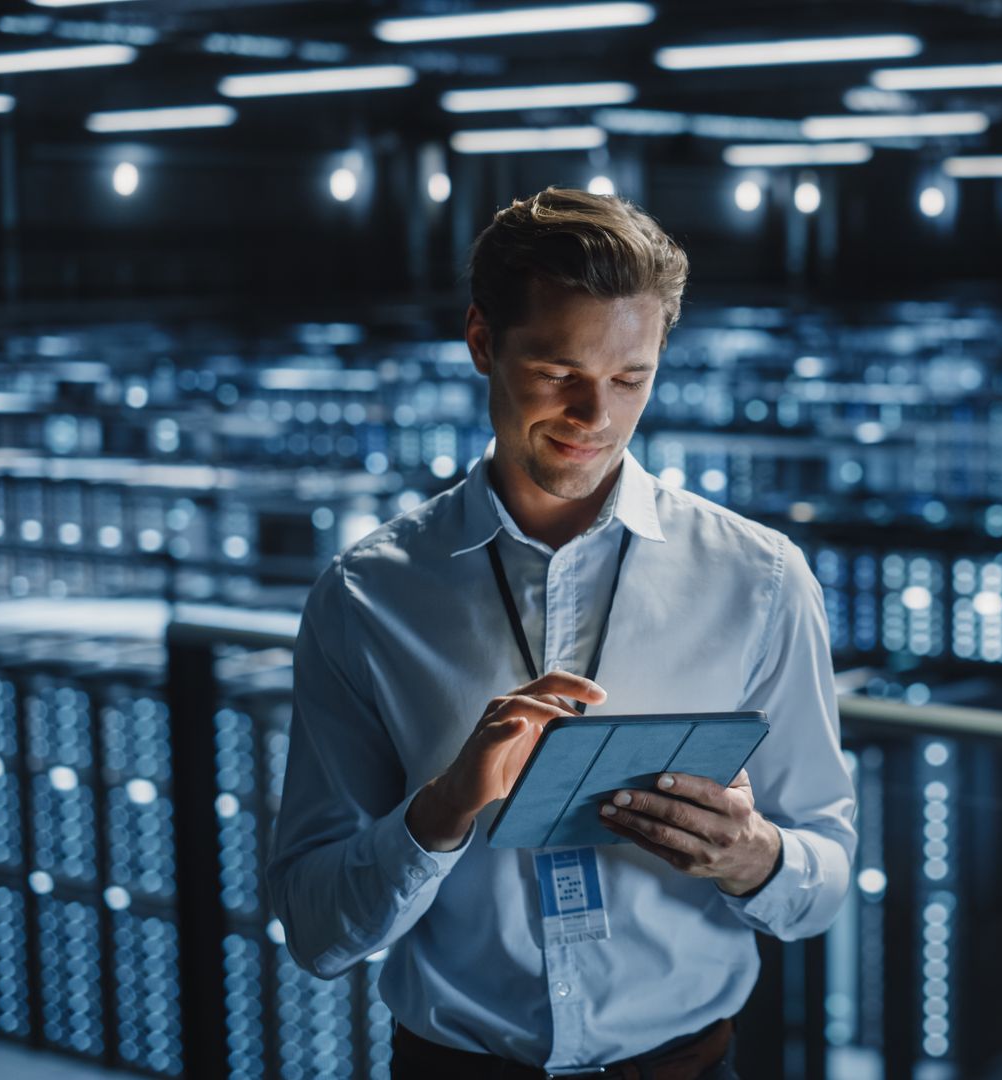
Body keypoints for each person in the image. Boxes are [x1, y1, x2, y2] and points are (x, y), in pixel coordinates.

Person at [267, 187, 858, 1080]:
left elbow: (827, 870)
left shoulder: (760, 579)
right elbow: (316, 928)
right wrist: (440, 813)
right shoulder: (366, 599)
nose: (597, 417)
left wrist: (756, 856)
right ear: (481, 344)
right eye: (558, 373)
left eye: (631, 380)